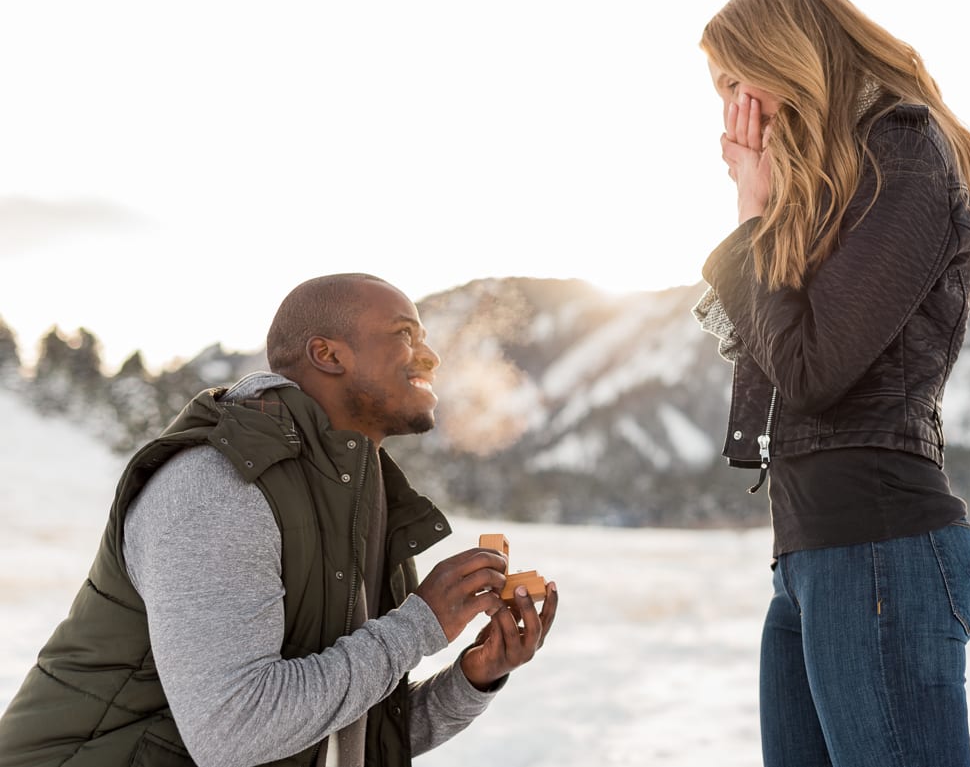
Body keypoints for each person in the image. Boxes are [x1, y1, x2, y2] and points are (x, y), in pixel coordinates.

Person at [0, 273, 558, 767]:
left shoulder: (360, 500)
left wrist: (474, 675)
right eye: (404, 334)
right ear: (328, 354)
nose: (430, 355)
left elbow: (340, 736)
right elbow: (236, 731)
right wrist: (420, 623)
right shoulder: (220, 484)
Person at [693, 0, 970, 766]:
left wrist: (753, 217)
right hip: (811, 560)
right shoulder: (839, 186)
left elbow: (812, 369)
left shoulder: (905, 150)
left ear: (783, 57)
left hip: (877, 555)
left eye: (734, 82)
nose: (730, 111)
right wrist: (766, 211)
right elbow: (781, 353)